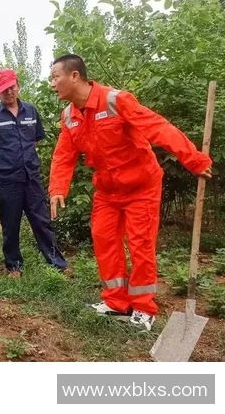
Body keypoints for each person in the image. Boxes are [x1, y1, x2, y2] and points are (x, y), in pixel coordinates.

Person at [48, 54, 212, 331]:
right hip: (107, 190)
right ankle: (116, 303)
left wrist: (194, 160)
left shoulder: (116, 100)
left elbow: (159, 128)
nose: (52, 84)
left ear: (74, 76)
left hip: (141, 187)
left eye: (55, 77)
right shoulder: (69, 117)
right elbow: (64, 155)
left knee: (140, 245)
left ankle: (144, 308)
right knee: (104, 241)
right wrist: (57, 188)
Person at [0, 68, 67, 278]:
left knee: (41, 221)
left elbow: (35, 140)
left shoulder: (31, 111)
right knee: (10, 224)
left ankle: (57, 263)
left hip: (31, 177)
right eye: (4, 89)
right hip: (6, 181)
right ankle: (14, 266)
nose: (9, 92)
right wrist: (5, 163)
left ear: (18, 86)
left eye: (12, 87)